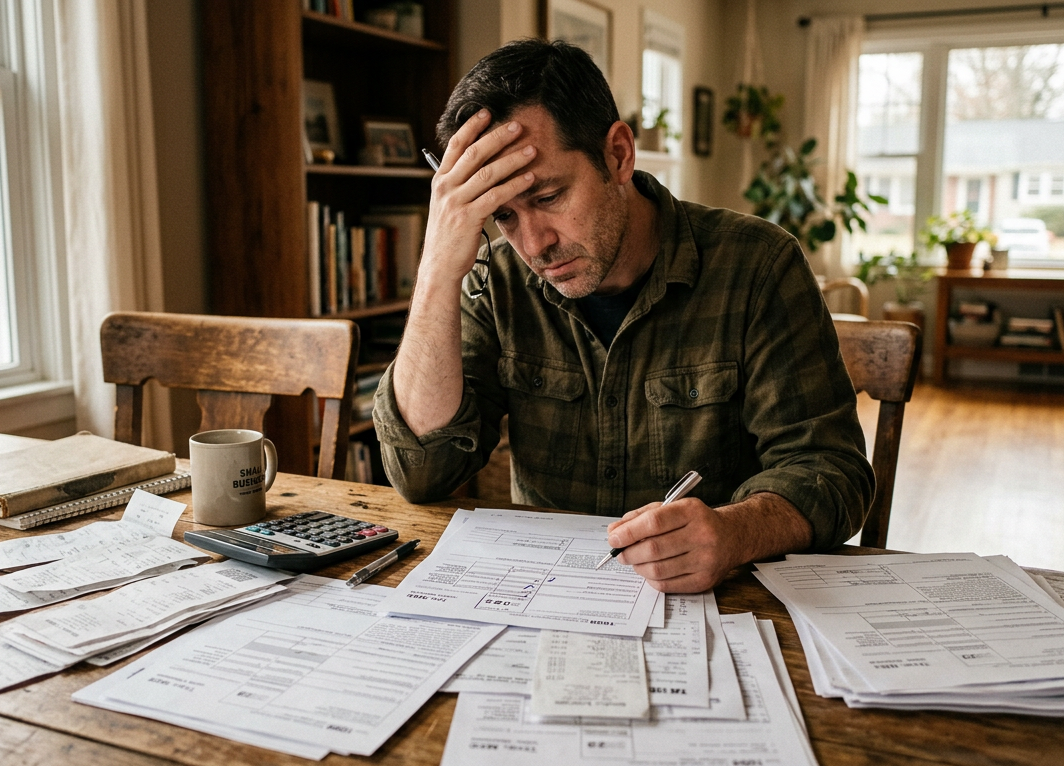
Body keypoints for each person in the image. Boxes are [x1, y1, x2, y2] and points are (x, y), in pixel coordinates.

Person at [372, 39, 874, 593]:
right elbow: (422, 473)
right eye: (504, 216)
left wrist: (735, 532)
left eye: (549, 197)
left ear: (618, 154)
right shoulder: (496, 278)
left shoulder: (758, 265)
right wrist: (437, 271)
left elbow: (833, 470)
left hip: (725, 605)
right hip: (546, 600)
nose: (534, 245)